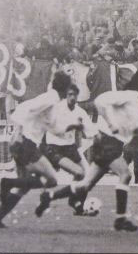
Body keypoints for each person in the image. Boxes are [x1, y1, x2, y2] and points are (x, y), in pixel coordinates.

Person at [37, 67, 138, 232]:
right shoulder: (129, 95)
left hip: (113, 144)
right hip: (107, 142)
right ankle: (120, 219)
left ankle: (49, 197)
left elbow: (132, 126)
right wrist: (110, 123)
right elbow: (100, 101)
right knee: (125, 174)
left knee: (85, 185)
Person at [0, 71, 73, 228]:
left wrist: (73, 127)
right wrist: (18, 132)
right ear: (65, 88)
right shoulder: (51, 98)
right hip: (27, 144)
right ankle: (7, 182)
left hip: (24, 144)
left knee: (23, 187)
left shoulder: (51, 99)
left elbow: (52, 126)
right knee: (52, 179)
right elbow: (27, 109)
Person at [39, 84, 97, 215]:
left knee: (87, 177)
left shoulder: (80, 112)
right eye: (69, 94)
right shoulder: (58, 109)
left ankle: (77, 204)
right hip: (54, 147)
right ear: (65, 96)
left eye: (74, 95)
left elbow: (90, 130)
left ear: (77, 96)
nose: (72, 97)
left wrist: (97, 134)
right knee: (78, 173)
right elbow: (54, 129)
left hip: (70, 147)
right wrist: (72, 126)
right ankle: (54, 196)